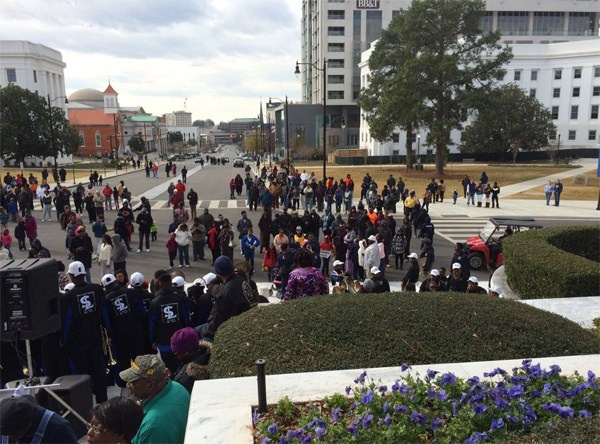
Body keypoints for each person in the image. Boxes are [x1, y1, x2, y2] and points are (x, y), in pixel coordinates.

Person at [63, 261, 108, 404]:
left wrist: (65, 340)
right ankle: (103, 401)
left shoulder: (69, 296)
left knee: (82, 374)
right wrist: (109, 332)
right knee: (99, 371)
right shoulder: (97, 289)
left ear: (72, 276)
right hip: (96, 338)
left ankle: (85, 403)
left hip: (79, 343)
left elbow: (68, 322)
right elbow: (104, 313)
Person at [120, 355, 190, 444]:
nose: (127, 385)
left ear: (151, 385)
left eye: (133, 382)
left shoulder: (155, 426)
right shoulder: (176, 386)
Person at [102, 273, 148, 387]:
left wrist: (110, 334)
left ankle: (127, 383)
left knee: (124, 361)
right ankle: (144, 378)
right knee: (140, 358)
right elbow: (142, 311)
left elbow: (107, 320)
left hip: (120, 337)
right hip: (136, 331)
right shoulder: (131, 292)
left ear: (105, 287)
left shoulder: (107, 299)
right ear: (116, 282)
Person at [198, 256, 253, 340]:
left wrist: (204, 333)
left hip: (230, 328)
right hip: (244, 320)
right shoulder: (241, 280)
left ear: (218, 273)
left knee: (196, 331)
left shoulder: (225, 294)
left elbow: (216, 322)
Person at [148, 273, 191, 373]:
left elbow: (152, 323)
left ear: (160, 283)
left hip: (164, 340)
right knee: (181, 365)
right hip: (180, 337)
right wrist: (187, 331)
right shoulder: (180, 298)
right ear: (171, 283)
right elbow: (186, 318)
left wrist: (152, 339)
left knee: (168, 367)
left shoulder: (155, 302)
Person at [0, 395, 78, 444]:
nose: (10, 438)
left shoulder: (59, 429)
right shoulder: (5, 422)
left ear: (28, 425)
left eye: (13, 435)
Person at [170, 327, 210, 393]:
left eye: (175, 352)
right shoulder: (204, 353)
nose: (175, 355)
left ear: (186, 352)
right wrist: (172, 375)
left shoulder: (185, 379)